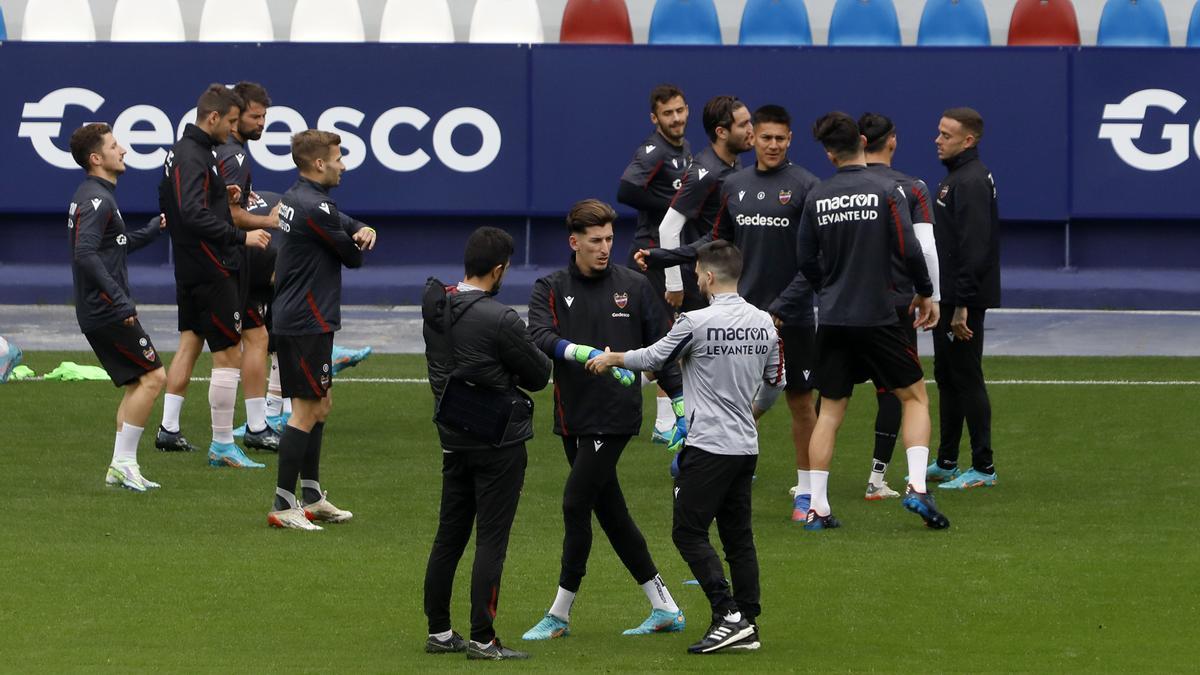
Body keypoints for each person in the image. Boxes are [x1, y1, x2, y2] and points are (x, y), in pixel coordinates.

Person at [589, 240, 784, 655]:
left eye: (697, 274)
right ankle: (747, 622)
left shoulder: (695, 322)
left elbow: (654, 358)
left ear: (710, 277)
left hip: (708, 446)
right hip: (745, 446)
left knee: (688, 531)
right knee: (738, 537)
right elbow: (775, 383)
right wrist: (751, 414)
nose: (695, 280)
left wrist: (612, 359)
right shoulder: (766, 323)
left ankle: (728, 614)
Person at [638, 104, 821, 522]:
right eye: (765, 137)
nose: (773, 145)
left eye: (781, 138)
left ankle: (807, 493)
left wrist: (780, 308)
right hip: (735, 315)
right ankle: (704, 463)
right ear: (752, 136)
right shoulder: (733, 184)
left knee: (799, 402)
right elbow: (715, 242)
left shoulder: (807, 186)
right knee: (721, 397)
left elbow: (815, 263)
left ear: (790, 140)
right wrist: (666, 256)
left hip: (789, 318)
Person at [521, 199, 686, 641]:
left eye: (610, 239)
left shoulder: (633, 286)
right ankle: (664, 605)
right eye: (595, 241)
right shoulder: (551, 286)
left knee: (576, 504)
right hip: (571, 416)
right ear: (574, 242)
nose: (604, 248)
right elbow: (538, 334)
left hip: (614, 417)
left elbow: (665, 348)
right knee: (611, 513)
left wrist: (683, 408)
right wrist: (582, 353)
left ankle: (559, 613)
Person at [783, 112, 948, 532]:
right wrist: (926, 292)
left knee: (830, 412)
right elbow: (910, 249)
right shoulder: (887, 190)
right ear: (861, 140)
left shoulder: (817, 195)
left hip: (835, 317)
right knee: (913, 398)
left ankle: (817, 507)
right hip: (880, 314)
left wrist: (828, 288)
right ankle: (915, 486)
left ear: (827, 152)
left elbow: (804, 259)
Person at [421, 227, 552, 661]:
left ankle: (439, 631)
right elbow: (539, 375)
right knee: (491, 541)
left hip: (453, 437)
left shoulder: (436, 307)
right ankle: (482, 638)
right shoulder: (501, 318)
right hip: (498, 442)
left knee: (448, 538)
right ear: (498, 270)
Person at [155, 84, 271, 467]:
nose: (234, 130)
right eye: (233, 121)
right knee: (227, 354)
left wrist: (221, 193)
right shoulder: (196, 155)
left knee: (190, 343)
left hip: (188, 267)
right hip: (212, 268)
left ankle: (169, 428)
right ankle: (223, 444)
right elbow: (192, 212)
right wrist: (240, 235)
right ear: (214, 117)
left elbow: (174, 206)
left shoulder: (179, 153)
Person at [266, 129, 375, 532]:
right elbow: (353, 256)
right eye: (338, 157)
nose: (343, 164)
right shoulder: (316, 207)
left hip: (303, 318)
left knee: (320, 405)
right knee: (306, 410)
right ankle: (283, 503)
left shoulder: (298, 197)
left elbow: (349, 224)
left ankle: (311, 496)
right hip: (306, 321)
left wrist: (364, 228)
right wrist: (361, 238)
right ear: (318, 164)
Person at [67, 123, 167, 491]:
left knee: (138, 382)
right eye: (114, 145)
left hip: (98, 308)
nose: (122, 150)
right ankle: (123, 463)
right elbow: (85, 254)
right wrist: (119, 298)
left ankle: (121, 466)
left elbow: (115, 245)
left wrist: (156, 227)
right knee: (155, 377)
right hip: (106, 309)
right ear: (97, 158)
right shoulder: (98, 199)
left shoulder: (95, 195)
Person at [858, 112, 942, 500]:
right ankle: (880, 480)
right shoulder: (913, 188)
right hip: (894, 306)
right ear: (892, 140)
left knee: (832, 397)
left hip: (844, 304)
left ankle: (809, 485)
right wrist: (932, 296)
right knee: (901, 392)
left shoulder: (836, 189)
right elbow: (924, 246)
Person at [929, 107, 1001, 490]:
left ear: (968, 140)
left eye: (946, 135)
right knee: (947, 375)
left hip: (962, 302)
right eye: (939, 133)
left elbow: (975, 249)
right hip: (950, 297)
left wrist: (962, 307)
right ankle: (946, 460)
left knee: (967, 377)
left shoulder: (970, 181)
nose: (937, 140)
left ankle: (984, 468)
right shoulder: (958, 177)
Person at [617, 84, 692, 443]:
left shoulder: (684, 148)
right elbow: (627, 189)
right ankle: (661, 421)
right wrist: (670, 205)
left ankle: (662, 418)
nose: (676, 118)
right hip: (653, 256)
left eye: (679, 110)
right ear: (655, 118)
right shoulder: (653, 150)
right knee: (664, 337)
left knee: (671, 337)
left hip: (672, 252)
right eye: (668, 113)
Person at [214, 81, 281, 451]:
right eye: (255, 116)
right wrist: (266, 224)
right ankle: (222, 440)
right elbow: (229, 214)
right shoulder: (233, 156)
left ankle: (256, 426)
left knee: (257, 337)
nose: (261, 123)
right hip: (224, 262)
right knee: (222, 351)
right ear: (234, 115)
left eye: (264, 116)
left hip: (218, 260)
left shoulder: (212, 151)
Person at [655, 95, 754, 313]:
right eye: (743, 124)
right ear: (721, 132)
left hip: (726, 281)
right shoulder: (705, 173)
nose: (751, 130)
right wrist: (674, 285)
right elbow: (668, 228)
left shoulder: (735, 161)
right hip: (701, 287)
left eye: (750, 121)